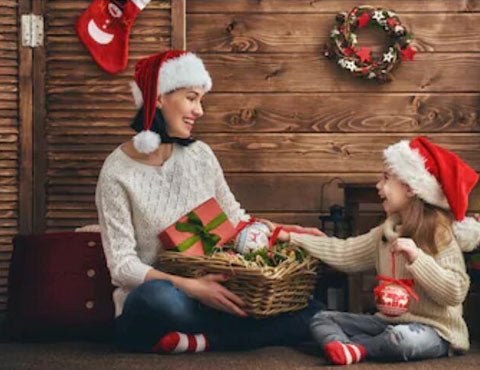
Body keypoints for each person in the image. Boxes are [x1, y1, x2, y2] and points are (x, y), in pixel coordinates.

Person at [95, 50, 321, 354]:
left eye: (201, 100)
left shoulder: (200, 155)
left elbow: (234, 219)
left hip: (212, 291)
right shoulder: (116, 172)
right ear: (158, 98)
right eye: (191, 98)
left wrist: (285, 231)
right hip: (165, 300)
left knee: (314, 308)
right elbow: (122, 266)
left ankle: (201, 341)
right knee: (157, 297)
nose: (199, 111)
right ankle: (243, 332)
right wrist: (190, 287)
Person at [266, 137, 480, 365]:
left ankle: (360, 348)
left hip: (435, 331)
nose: (379, 186)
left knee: (403, 338)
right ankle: (347, 347)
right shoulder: (386, 233)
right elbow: (345, 252)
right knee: (320, 319)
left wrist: (417, 258)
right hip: (389, 323)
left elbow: (455, 292)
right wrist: (291, 237)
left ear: (410, 187)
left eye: (386, 178)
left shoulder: (440, 236)